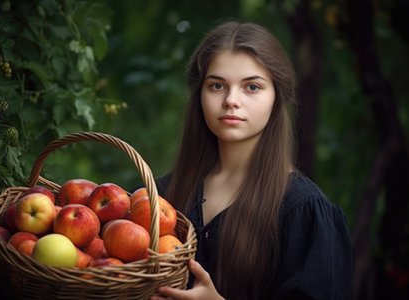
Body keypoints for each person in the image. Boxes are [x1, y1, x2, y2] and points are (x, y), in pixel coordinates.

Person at [149, 21, 352, 300]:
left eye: (252, 87)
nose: (231, 100)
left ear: (276, 98)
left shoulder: (303, 210)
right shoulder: (160, 198)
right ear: (200, 96)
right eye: (217, 85)